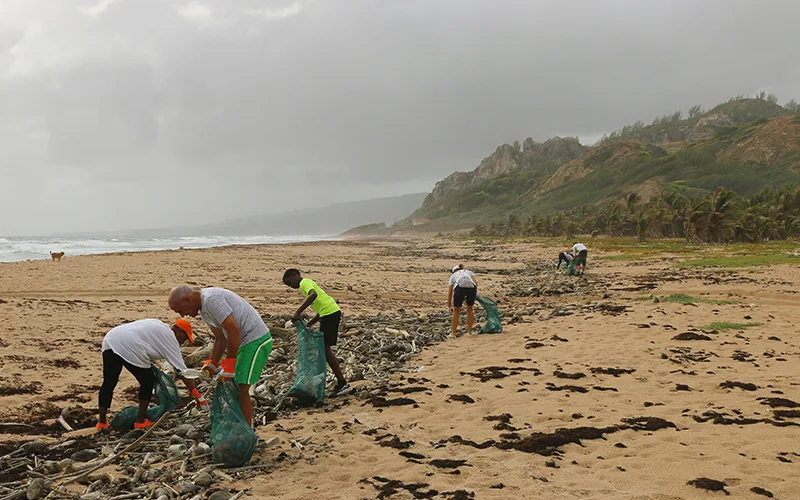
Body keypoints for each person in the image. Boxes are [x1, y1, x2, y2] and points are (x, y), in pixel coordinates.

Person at [168, 285, 272, 427]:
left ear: (187, 299)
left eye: (180, 310)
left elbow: (233, 330)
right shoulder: (204, 311)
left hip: (255, 339)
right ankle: (239, 424)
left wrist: (229, 364)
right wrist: (211, 363)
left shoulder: (211, 299)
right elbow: (220, 338)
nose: (182, 315)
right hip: (243, 343)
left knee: (242, 386)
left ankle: (247, 430)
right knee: (233, 385)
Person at [97, 318, 207, 431]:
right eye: (185, 338)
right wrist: (197, 395)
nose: (184, 342)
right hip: (130, 343)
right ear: (179, 332)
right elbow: (183, 371)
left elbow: (146, 339)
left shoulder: (159, 324)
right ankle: (140, 421)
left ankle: (101, 422)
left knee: (109, 382)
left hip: (111, 338)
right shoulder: (171, 338)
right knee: (148, 381)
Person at [282, 269, 352, 397]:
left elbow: (313, 295)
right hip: (329, 313)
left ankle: (342, 382)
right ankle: (340, 378)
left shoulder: (305, 283)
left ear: (294, 275)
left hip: (330, 314)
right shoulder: (306, 285)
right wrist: (311, 322)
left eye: (290, 283)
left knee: (325, 349)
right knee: (325, 349)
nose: (291, 286)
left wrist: (298, 312)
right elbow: (321, 306)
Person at [448, 264, 478, 338]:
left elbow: (450, 292)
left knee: (456, 310)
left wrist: (449, 305)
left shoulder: (453, 275)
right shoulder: (469, 272)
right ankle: (469, 332)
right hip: (471, 288)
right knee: (470, 308)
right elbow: (475, 283)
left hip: (460, 288)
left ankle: (453, 333)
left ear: (454, 271)